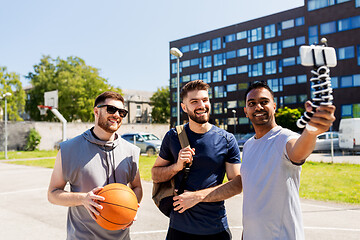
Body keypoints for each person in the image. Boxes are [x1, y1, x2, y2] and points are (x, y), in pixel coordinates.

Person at [173, 81, 336, 240]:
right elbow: (250, 197)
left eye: (264, 102)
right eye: (252, 103)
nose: (258, 107)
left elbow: (298, 152)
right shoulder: (249, 146)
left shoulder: (284, 138)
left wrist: (311, 132)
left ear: (274, 106)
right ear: (246, 111)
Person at [151, 80, 241, 240]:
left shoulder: (227, 140)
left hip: (216, 229)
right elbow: (155, 175)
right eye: (194, 101)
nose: (201, 105)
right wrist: (177, 166)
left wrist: (197, 197)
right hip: (179, 229)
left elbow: (237, 184)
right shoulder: (173, 137)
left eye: (205, 100)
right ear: (184, 107)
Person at [48, 91, 142, 240]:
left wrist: (130, 208)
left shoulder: (131, 151)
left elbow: (136, 187)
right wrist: (83, 198)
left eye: (122, 112)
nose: (117, 115)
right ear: (96, 111)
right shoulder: (68, 149)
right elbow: (53, 194)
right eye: (111, 109)